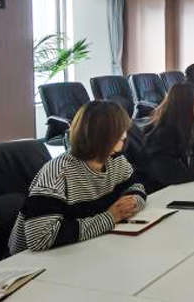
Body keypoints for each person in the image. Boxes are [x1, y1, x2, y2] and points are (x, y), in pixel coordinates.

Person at [9, 101, 146, 254]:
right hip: (33, 260)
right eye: (119, 134)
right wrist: (110, 218)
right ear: (100, 137)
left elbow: (136, 186)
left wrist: (134, 202)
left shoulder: (115, 160)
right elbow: (40, 238)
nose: (124, 138)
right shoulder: (58, 172)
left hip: (85, 248)